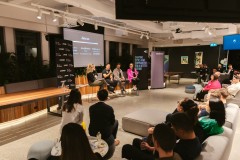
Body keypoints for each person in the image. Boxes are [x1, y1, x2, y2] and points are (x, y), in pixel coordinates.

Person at [88, 89, 120, 159]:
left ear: (97, 96)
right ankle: (113, 139)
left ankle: (112, 140)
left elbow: (92, 119)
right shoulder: (109, 108)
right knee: (116, 122)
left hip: (92, 132)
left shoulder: (91, 108)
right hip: (105, 133)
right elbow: (112, 121)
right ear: (107, 97)